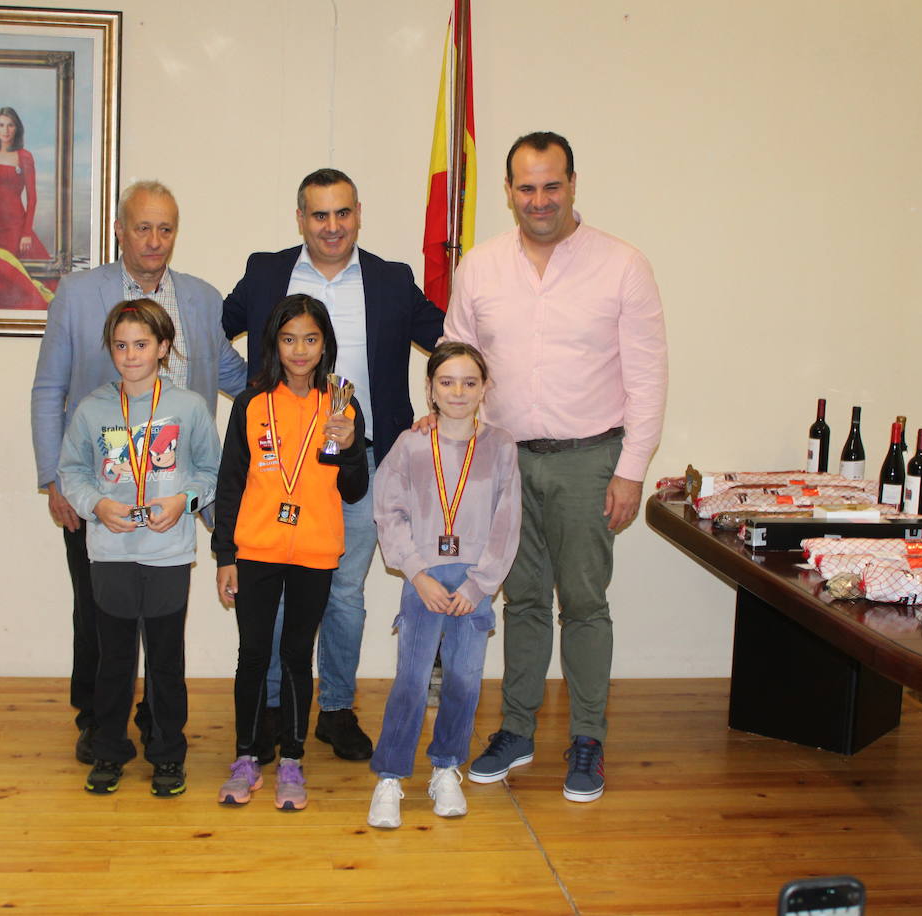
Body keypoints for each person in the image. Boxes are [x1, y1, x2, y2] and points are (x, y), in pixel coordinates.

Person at [444, 131, 668, 804]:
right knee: (523, 602)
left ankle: (589, 738)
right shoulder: (480, 268)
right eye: (525, 187)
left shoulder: (622, 265)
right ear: (509, 192)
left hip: (588, 461)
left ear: (573, 185)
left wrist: (630, 470)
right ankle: (516, 730)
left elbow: (649, 377)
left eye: (551, 185)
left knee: (586, 604)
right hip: (506, 462)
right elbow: (457, 362)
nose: (539, 200)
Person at [221, 168, 445, 761]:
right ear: (300, 219)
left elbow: (447, 340)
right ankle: (270, 709)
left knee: (344, 592)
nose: (331, 226)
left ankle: (337, 710)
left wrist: (440, 409)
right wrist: (243, 392)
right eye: (319, 215)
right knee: (271, 588)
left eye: (342, 213)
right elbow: (211, 332)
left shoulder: (393, 280)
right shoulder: (266, 271)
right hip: (277, 465)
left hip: (361, 463)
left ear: (358, 214)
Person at [31, 180, 247, 767]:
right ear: (120, 230)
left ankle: (157, 723)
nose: (154, 240)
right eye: (143, 227)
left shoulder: (203, 299)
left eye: (166, 228)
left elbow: (235, 377)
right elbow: (50, 387)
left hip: (175, 499)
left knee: (164, 621)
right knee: (97, 612)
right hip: (100, 495)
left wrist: (298, 398)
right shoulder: (78, 295)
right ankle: (97, 723)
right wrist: (55, 478)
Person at [57, 300, 220, 796]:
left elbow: (209, 472)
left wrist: (183, 500)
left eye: (142, 345)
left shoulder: (188, 407)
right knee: (114, 662)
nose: (131, 356)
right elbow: (73, 472)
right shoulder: (92, 409)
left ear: (163, 347)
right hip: (111, 553)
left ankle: (168, 754)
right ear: (111, 349)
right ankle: (109, 749)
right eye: (121, 345)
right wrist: (96, 507)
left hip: (168, 553)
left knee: (166, 662)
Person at [212, 294, 368, 810]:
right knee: (253, 655)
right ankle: (245, 757)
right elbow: (230, 482)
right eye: (288, 338)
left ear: (325, 344)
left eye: (310, 338)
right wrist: (224, 555)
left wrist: (348, 449)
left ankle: (295, 761)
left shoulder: (342, 404)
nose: (299, 350)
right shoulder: (252, 404)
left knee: (297, 657)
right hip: (256, 548)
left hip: (316, 552)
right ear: (273, 344)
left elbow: (353, 489)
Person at [366, 342, 520, 830]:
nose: (458, 391)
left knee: (463, 680)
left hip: (473, 585)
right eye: (447, 382)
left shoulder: (501, 447)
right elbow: (388, 512)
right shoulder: (410, 445)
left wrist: (480, 586)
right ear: (429, 389)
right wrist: (416, 572)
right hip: (424, 580)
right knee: (411, 681)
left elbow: (506, 520)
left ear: (484, 389)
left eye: (470, 382)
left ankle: (446, 767)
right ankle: (390, 775)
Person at [0, 107, 51, 261]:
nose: (5, 130)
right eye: (1, 125)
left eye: (10, 125)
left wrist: (26, 233)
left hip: (14, 224)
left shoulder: (25, 156)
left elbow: (32, 198)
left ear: (17, 128)